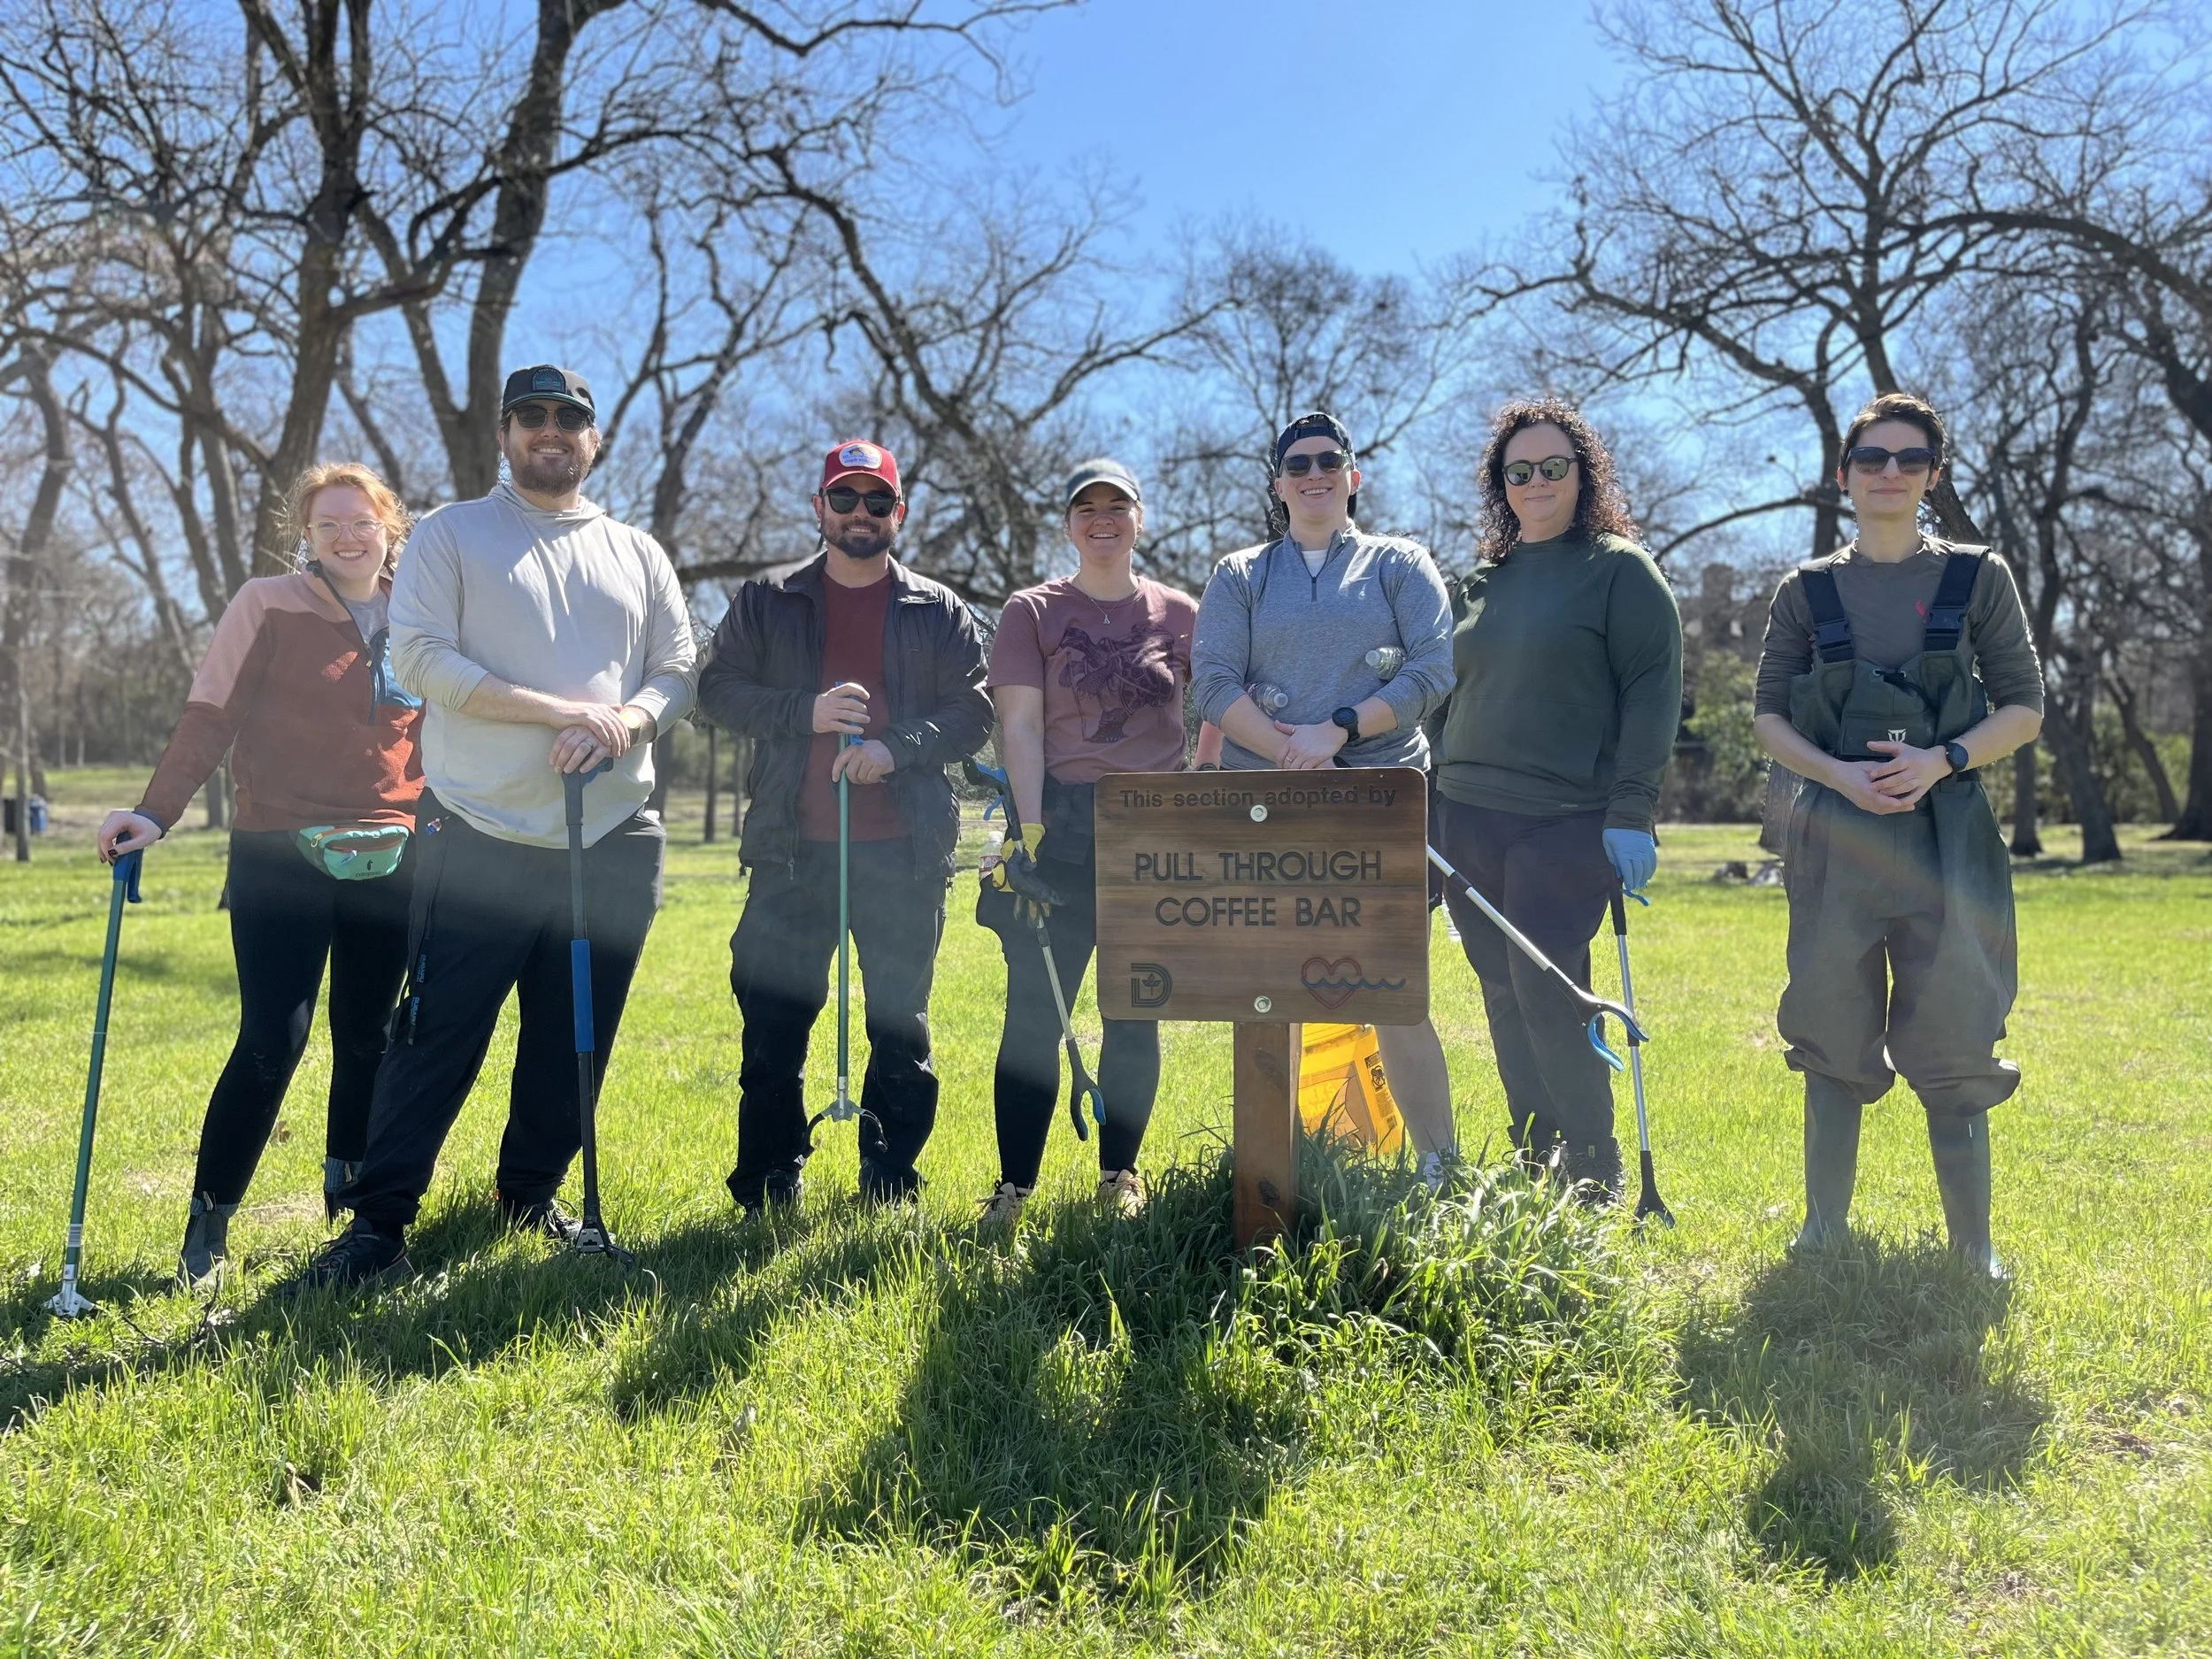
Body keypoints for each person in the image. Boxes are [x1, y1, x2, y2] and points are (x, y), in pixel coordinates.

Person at [279, 365, 695, 1292]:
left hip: (616, 831)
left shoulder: (638, 551)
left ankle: (528, 1193)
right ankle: (378, 1227)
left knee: (574, 1034)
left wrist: (623, 723)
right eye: (533, 417)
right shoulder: (449, 535)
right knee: (435, 1032)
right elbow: (421, 656)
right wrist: (560, 713)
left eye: (569, 419)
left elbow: (677, 667)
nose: (552, 431)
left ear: (595, 439)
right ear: (505, 434)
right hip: (476, 830)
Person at [98, 463, 424, 1286]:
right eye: (328, 525)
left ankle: (350, 1214)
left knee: (369, 1037)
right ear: (306, 536)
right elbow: (211, 713)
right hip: (282, 849)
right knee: (271, 1041)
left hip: (396, 852)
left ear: (390, 526)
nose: (348, 537)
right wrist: (155, 812)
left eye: (362, 521)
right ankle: (209, 1218)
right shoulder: (266, 604)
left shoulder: (424, 610)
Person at [1753, 392, 2043, 1275]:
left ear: (1931, 476)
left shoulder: (1975, 577)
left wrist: (1941, 759)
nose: (1888, 474)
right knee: (1829, 1020)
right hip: (1835, 840)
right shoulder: (1807, 591)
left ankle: (1973, 1246)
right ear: (1843, 476)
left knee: (1957, 1025)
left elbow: (2024, 708)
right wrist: (1837, 774)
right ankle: (1822, 1229)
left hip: (1947, 842)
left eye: (1908, 460)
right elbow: (1768, 717)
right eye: (1871, 459)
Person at [699, 438, 991, 1213]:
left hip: (906, 850)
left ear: (900, 512)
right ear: (819, 507)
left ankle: (889, 1180)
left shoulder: (939, 609)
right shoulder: (769, 599)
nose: (860, 514)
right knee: (772, 1025)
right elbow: (717, 693)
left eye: (876, 501)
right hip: (792, 851)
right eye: (844, 498)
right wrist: (807, 713)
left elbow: (973, 710)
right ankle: (768, 1178)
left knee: (901, 1028)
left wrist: (897, 750)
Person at [1190, 411, 1461, 1183]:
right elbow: (1211, 682)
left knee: (1394, 995)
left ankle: (1441, 1169)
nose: (1315, 474)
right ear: (1278, 483)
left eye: (1329, 460)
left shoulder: (1400, 563)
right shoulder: (1240, 574)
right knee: (1274, 995)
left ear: (1354, 474)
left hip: (1378, 811)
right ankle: (1279, 1172)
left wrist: (1337, 731)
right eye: (1298, 463)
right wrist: (1285, 749)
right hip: (1265, 812)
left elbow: (1432, 670)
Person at [1432, 397, 1683, 1201]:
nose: (1536, 482)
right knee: (1500, 987)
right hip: (1463, 812)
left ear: (1584, 473)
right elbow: (1441, 695)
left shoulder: (1618, 569)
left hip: (1567, 817)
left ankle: (1594, 1158)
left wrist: (1632, 809)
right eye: (1519, 471)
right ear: (1499, 485)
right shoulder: (1479, 581)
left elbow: (1653, 692)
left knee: (1547, 986)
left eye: (1553, 467)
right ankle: (1534, 1152)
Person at [976, 458, 1199, 1225]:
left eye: (1118, 506)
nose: (1102, 519)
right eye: (1086, 508)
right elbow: (1023, 726)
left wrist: (1198, 786)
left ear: (1141, 519)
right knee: (1034, 1015)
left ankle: (1121, 1175)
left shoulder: (1182, 613)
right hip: (1061, 827)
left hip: (1153, 834)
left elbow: (1224, 706)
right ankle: (1015, 1185)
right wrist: (1027, 831)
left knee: (1137, 1013)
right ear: (1068, 524)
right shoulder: (1031, 610)